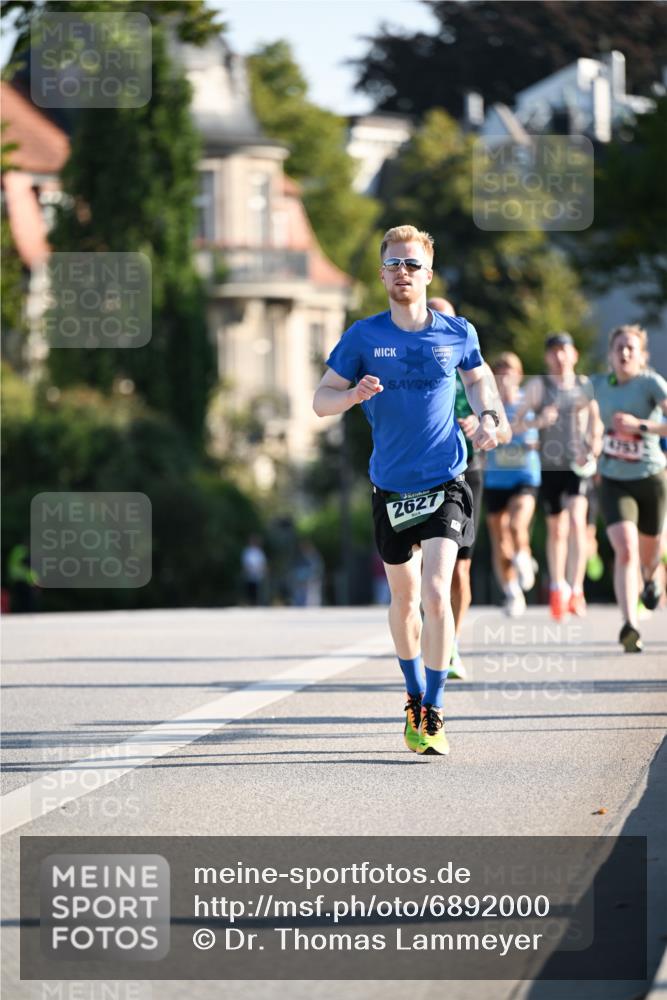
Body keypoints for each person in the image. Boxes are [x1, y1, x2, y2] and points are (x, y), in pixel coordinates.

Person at [313, 225, 510, 755]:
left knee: (436, 590)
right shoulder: (362, 337)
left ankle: (435, 710)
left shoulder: (456, 332)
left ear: (428, 273)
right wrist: (353, 393)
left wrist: (490, 414)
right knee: (404, 601)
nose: (403, 273)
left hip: (446, 477)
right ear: (382, 274)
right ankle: (414, 694)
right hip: (390, 486)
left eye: (412, 265)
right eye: (394, 265)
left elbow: (479, 379)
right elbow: (320, 401)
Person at [590, 325, 667, 652]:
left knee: (649, 554)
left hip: (651, 477)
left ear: (641, 355)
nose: (624, 353)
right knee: (625, 547)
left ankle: (650, 581)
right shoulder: (598, 386)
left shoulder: (651, 383)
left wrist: (642, 426)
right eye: (619, 347)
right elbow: (581, 416)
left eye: (630, 348)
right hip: (613, 477)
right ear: (610, 354)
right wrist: (587, 445)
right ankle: (629, 624)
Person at [514, 332, 601, 620]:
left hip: (578, 466)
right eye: (553, 351)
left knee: (577, 522)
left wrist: (593, 447)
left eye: (565, 350)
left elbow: (596, 423)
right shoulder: (539, 385)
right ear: (547, 357)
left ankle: (576, 589)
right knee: (557, 530)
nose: (560, 357)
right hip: (549, 466)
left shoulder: (584, 385)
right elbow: (515, 423)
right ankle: (557, 586)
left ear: (574, 354)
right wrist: (540, 421)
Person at [427, 296, 483, 679]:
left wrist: (483, 424)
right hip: (418, 473)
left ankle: (452, 644)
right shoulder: (407, 364)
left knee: (459, 572)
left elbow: (500, 421)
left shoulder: (471, 361)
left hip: (465, 470)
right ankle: (432, 633)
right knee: (422, 573)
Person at [484, 353, 541, 616]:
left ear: (519, 375)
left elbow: (533, 438)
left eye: (510, 371)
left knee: (517, 525)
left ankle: (524, 558)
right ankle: (512, 592)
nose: (505, 376)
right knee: (500, 538)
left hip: (524, 476)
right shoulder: (487, 405)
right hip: (496, 478)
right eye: (500, 372)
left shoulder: (527, 404)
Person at [240, 535, 267, 606]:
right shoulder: (247, 551)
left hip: (257, 574)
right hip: (249, 574)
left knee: (257, 590)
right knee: (249, 589)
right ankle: (249, 603)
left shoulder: (259, 552)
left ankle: (256, 603)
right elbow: (245, 563)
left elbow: (262, 563)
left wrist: (261, 570)